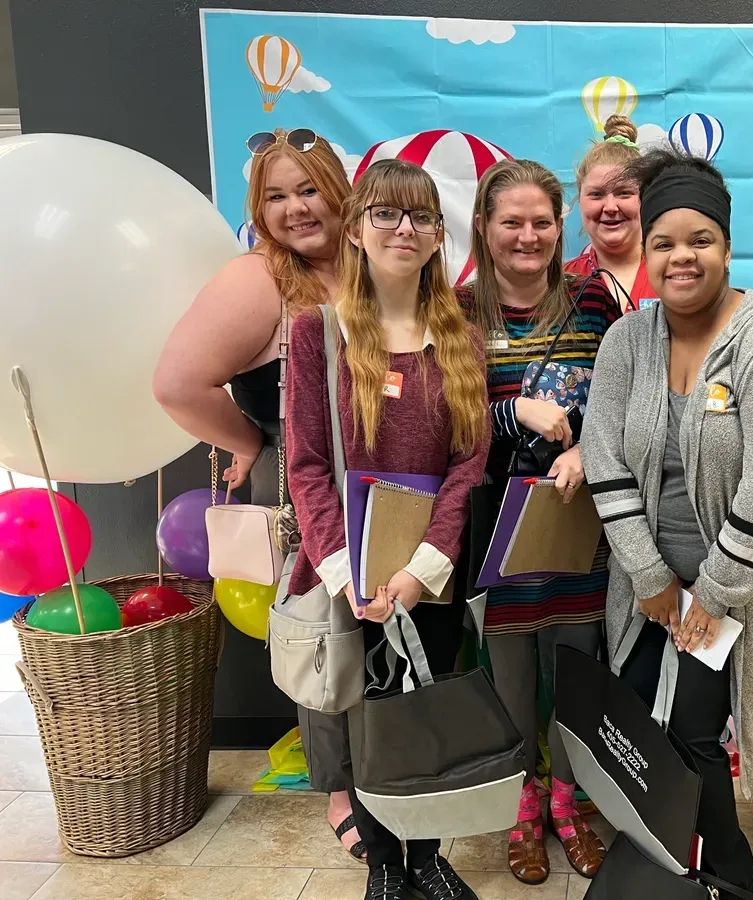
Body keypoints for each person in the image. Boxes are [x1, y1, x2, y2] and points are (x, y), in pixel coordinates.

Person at [580, 147, 753, 898]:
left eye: (700, 241)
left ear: (727, 243)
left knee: (689, 726)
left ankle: (730, 874)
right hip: (649, 579)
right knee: (640, 721)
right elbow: (603, 453)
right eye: (664, 243)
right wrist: (651, 576)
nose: (681, 257)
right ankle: (671, 859)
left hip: (744, 582)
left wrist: (711, 593)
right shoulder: (629, 339)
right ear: (645, 249)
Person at [153, 128, 366, 861]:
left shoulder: (369, 262)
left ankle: (393, 767)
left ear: (338, 188)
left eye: (308, 188)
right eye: (275, 196)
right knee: (325, 635)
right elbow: (177, 383)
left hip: (390, 483)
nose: (296, 208)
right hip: (313, 485)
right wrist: (249, 442)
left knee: (388, 630)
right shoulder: (261, 278)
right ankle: (341, 787)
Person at [286, 159, 490, 900]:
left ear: (439, 237)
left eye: (421, 217)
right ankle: (382, 864)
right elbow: (307, 465)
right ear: (356, 230)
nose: (404, 229)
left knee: (425, 715)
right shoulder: (318, 334)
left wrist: (421, 570)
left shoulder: (459, 333)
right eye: (386, 214)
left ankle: (427, 855)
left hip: (429, 576)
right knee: (368, 723)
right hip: (350, 578)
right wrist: (352, 574)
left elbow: (469, 465)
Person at [459, 158, 621, 885]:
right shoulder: (458, 312)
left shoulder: (594, 304)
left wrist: (590, 445)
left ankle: (568, 802)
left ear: (561, 227)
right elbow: (444, 425)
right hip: (496, 528)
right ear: (485, 228)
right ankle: (521, 809)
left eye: (541, 222)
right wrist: (511, 411)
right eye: (511, 222)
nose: (528, 236)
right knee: (511, 682)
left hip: (579, 524)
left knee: (575, 671)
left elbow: (625, 402)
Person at [564, 114, 654, 313]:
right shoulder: (559, 283)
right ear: (580, 200)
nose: (610, 207)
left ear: (645, 197)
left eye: (624, 193)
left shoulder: (670, 272)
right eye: (596, 194)